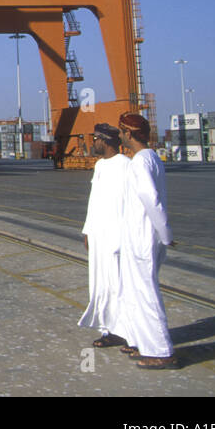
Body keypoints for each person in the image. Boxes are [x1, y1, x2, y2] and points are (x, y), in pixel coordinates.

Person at [117, 112, 179, 369]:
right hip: (145, 235)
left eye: (121, 132)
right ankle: (143, 342)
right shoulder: (152, 157)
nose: (120, 136)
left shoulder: (140, 162)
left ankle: (163, 352)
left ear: (128, 134)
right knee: (137, 291)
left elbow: (151, 199)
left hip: (143, 237)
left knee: (146, 293)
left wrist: (166, 235)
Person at [78, 123, 131, 348]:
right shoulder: (100, 166)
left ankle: (128, 331)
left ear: (106, 141)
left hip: (117, 235)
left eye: (97, 139)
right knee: (101, 283)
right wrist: (87, 230)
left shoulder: (126, 166)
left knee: (119, 283)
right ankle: (109, 329)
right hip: (98, 234)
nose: (94, 143)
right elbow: (94, 200)